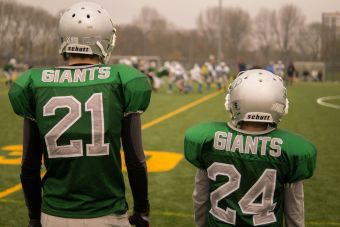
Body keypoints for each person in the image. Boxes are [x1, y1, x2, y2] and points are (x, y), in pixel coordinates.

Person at [8, 2, 151, 227]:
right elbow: (136, 161)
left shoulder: (35, 83)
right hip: (107, 214)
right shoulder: (121, 79)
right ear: (104, 39)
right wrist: (142, 210)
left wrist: (34, 217)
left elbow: (29, 166)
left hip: (54, 215)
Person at [184, 69, 316, 226]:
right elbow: (294, 212)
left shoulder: (207, 139)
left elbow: (200, 198)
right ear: (279, 105)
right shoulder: (291, 150)